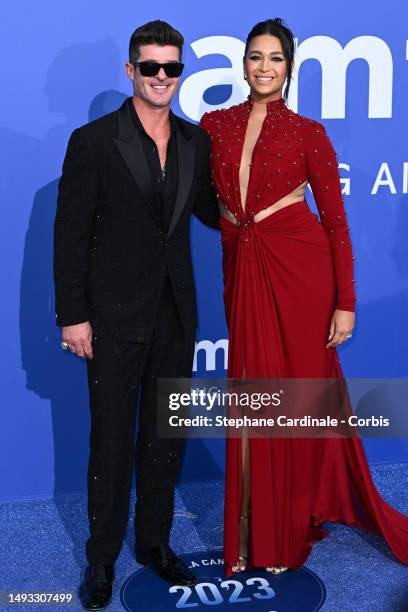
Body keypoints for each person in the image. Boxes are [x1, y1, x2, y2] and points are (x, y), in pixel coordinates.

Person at [200, 18, 408, 576]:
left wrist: (346, 301)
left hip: (301, 275)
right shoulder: (213, 125)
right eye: (254, 56)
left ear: (289, 68)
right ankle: (246, 531)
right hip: (243, 268)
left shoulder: (308, 133)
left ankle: (280, 535)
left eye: (274, 58)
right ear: (242, 64)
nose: (263, 67)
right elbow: (199, 200)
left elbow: (337, 226)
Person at [54, 20, 219, 610]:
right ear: (131, 70)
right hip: (113, 316)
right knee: (111, 442)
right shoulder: (93, 141)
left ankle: (154, 545)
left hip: (175, 316)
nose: (161, 78)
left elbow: (216, 213)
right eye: (150, 67)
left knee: (164, 440)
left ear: (181, 72)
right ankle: (101, 559)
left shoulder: (196, 141)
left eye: (171, 68)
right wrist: (73, 316)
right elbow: (69, 234)